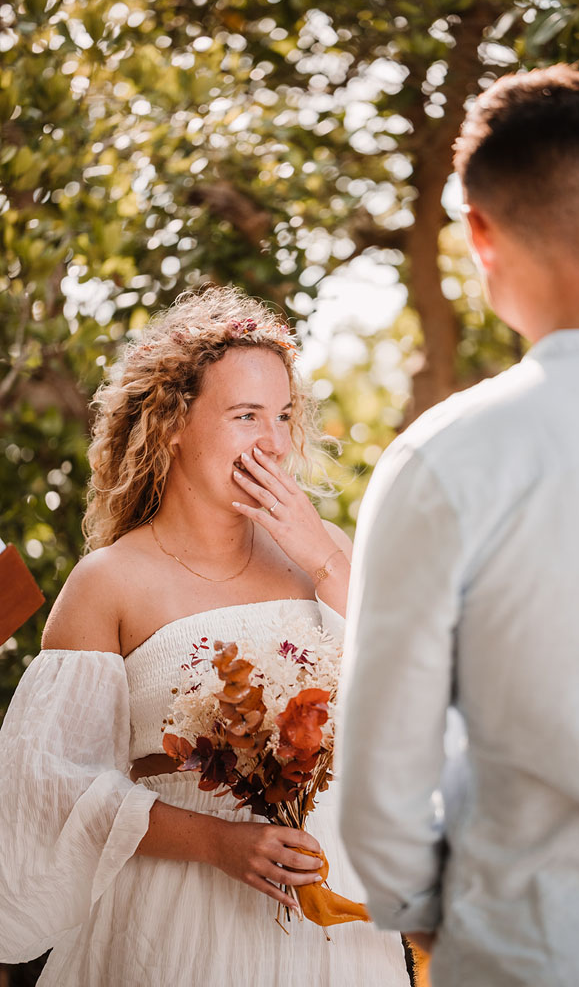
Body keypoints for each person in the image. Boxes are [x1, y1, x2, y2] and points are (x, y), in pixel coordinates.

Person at [340, 64, 579, 986]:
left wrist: (423, 914)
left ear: (477, 235)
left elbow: (380, 792)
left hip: (534, 955)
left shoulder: (444, 464)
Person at [0, 285, 408, 986]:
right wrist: (215, 841)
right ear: (171, 427)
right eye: (246, 415)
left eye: (282, 415)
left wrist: (326, 559)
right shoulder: (110, 582)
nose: (273, 442)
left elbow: (413, 699)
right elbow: (47, 786)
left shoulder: (328, 554)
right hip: (174, 924)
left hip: (333, 930)